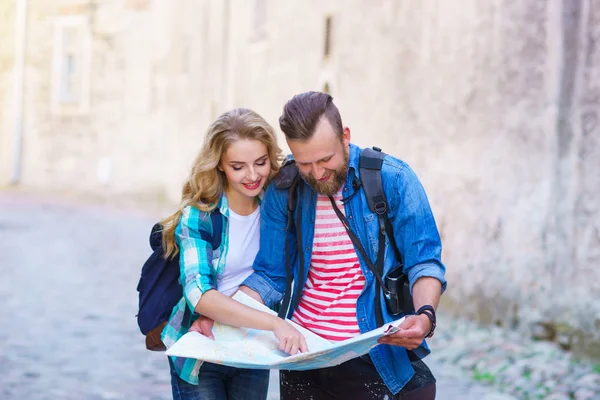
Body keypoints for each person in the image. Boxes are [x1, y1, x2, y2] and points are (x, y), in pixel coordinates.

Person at [220, 91, 445, 399]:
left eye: (326, 159)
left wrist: (425, 315)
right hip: (304, 358)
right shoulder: (284, 189)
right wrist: (219, 313)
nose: (317, 173)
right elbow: (270, 275)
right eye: (305, 163)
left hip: (374, 354)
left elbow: (424, 262)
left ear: (345, 137)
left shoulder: (393, 178)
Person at [159, 108, 308, 400]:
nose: (253, 176)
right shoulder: (200, 215)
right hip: (202, 349)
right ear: (220, 167)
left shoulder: (276, 204)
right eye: (238, 167)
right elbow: (199, 294)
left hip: (251, 347)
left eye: (261, 162)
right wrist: (275, 323)